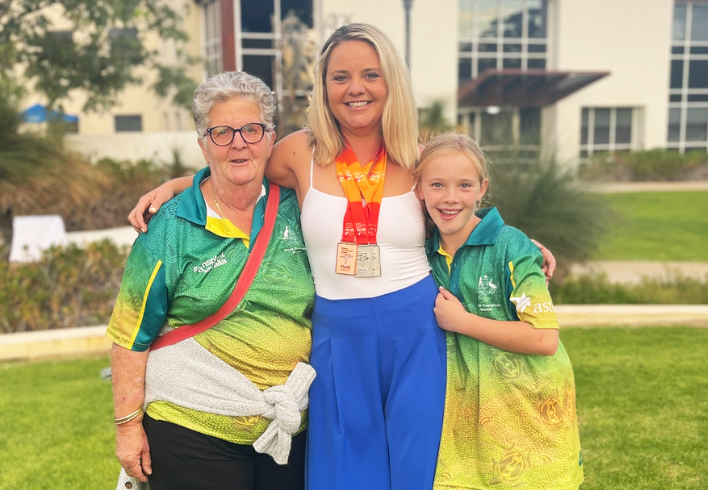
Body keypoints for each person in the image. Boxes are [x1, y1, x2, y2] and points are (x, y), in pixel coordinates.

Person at [127, 24, 556, 490]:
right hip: (336, 338)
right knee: (347, 473)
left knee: (418, 467)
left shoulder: (418, 157)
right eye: (340, 77)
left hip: (415, 331)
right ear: (324, 87)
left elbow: (459, 208)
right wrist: (176, 188)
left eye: (370, 75)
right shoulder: (299, 152)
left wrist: (517, 244)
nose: (356, 88)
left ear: (391, 82)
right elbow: (236, 167)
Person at [108, 71, 315, 490]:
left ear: (271, 138)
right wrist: (128, 426)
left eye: (251, 130)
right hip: (191, 426)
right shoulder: (170, 225)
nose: (239, 142)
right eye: (222, 132)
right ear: (203, 143)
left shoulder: (301, 210)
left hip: (288, 426)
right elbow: (130, 332)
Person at [415, 133, 583, 490]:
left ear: (482, 188)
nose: (449, 197)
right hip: (468, 414)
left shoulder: (512, 246)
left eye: (464, 185)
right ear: (419, 189)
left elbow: (544, 338)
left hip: (530, 405)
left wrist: (462, 322)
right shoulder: (419, 250)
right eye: (437, 184)